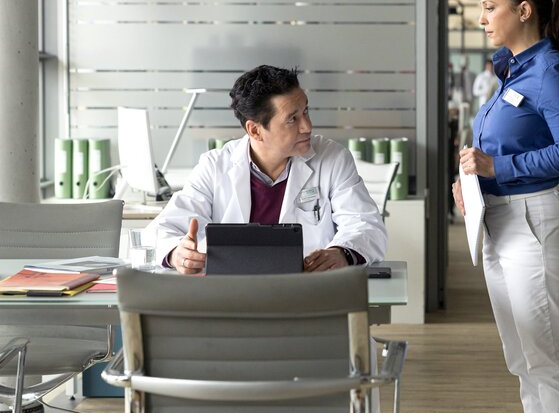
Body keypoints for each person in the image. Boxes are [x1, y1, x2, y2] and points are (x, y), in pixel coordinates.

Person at [452, 0, 559, 413]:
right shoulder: (513, 71)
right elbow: (503, 147)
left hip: (535, 221)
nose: (482, 18)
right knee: (523, 360)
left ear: (524, 10)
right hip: (500, 221)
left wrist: (497, 168)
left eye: (490, 7)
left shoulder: (549, 71)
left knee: (547, 360)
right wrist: (472, 184)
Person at [151, 65, 387, 275]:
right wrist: (177, 254)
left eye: (305, 111)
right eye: (292, 119)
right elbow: (164, 228)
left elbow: (366, 225)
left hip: (310, 292)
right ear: (255, 131)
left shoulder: (333, 159)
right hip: (232, 296)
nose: (307, 126)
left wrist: (341, 253)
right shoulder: (215, 166)